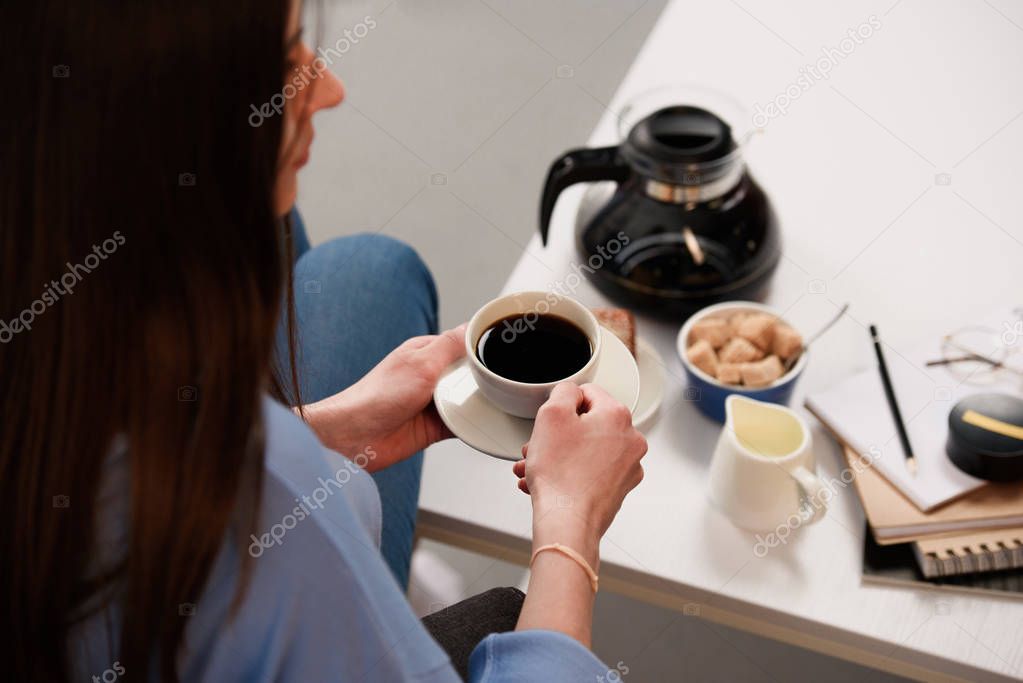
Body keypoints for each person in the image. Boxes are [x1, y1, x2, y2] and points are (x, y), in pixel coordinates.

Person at [0, 1, 648, 681]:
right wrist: (572, 526)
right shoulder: (255, 504)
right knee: (374, 269)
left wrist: (325, 431)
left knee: (325, 245)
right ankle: (378, 594)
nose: (329, 90)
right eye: (285, 68)